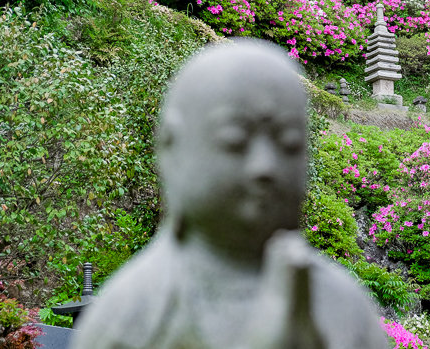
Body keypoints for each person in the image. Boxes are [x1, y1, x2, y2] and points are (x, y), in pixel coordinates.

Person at [72, 39, 390, 349]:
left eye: (289, 142)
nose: (265, 166)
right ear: (171, 146)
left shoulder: (343, 306)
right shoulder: (130, 314)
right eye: (234, 139)